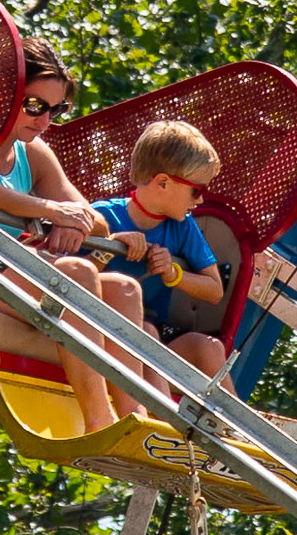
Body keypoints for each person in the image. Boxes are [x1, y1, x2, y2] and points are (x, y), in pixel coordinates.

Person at [0, 46, 157, 356]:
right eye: (34, 106)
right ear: (3, 92)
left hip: (6, 274)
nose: (44, 122)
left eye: (55, 110)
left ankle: (129, 407)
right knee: (76, 273)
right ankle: (100, 408)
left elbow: (96, 221)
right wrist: (53, 211)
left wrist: (73, 223)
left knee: (125, 290)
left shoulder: (34, 153)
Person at [83, 116, 248, 383]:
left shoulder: (182, 227)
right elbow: (68, 275)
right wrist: (111, 245)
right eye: (197, 190)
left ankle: (230, 425)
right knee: (146, 332)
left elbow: (214, 290)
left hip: (152, 327)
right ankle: (153, 421)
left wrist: (174, 273)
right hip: (97, 322)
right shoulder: (103, 216)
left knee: (209, 346)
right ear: (162, 182)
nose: (202, 199)